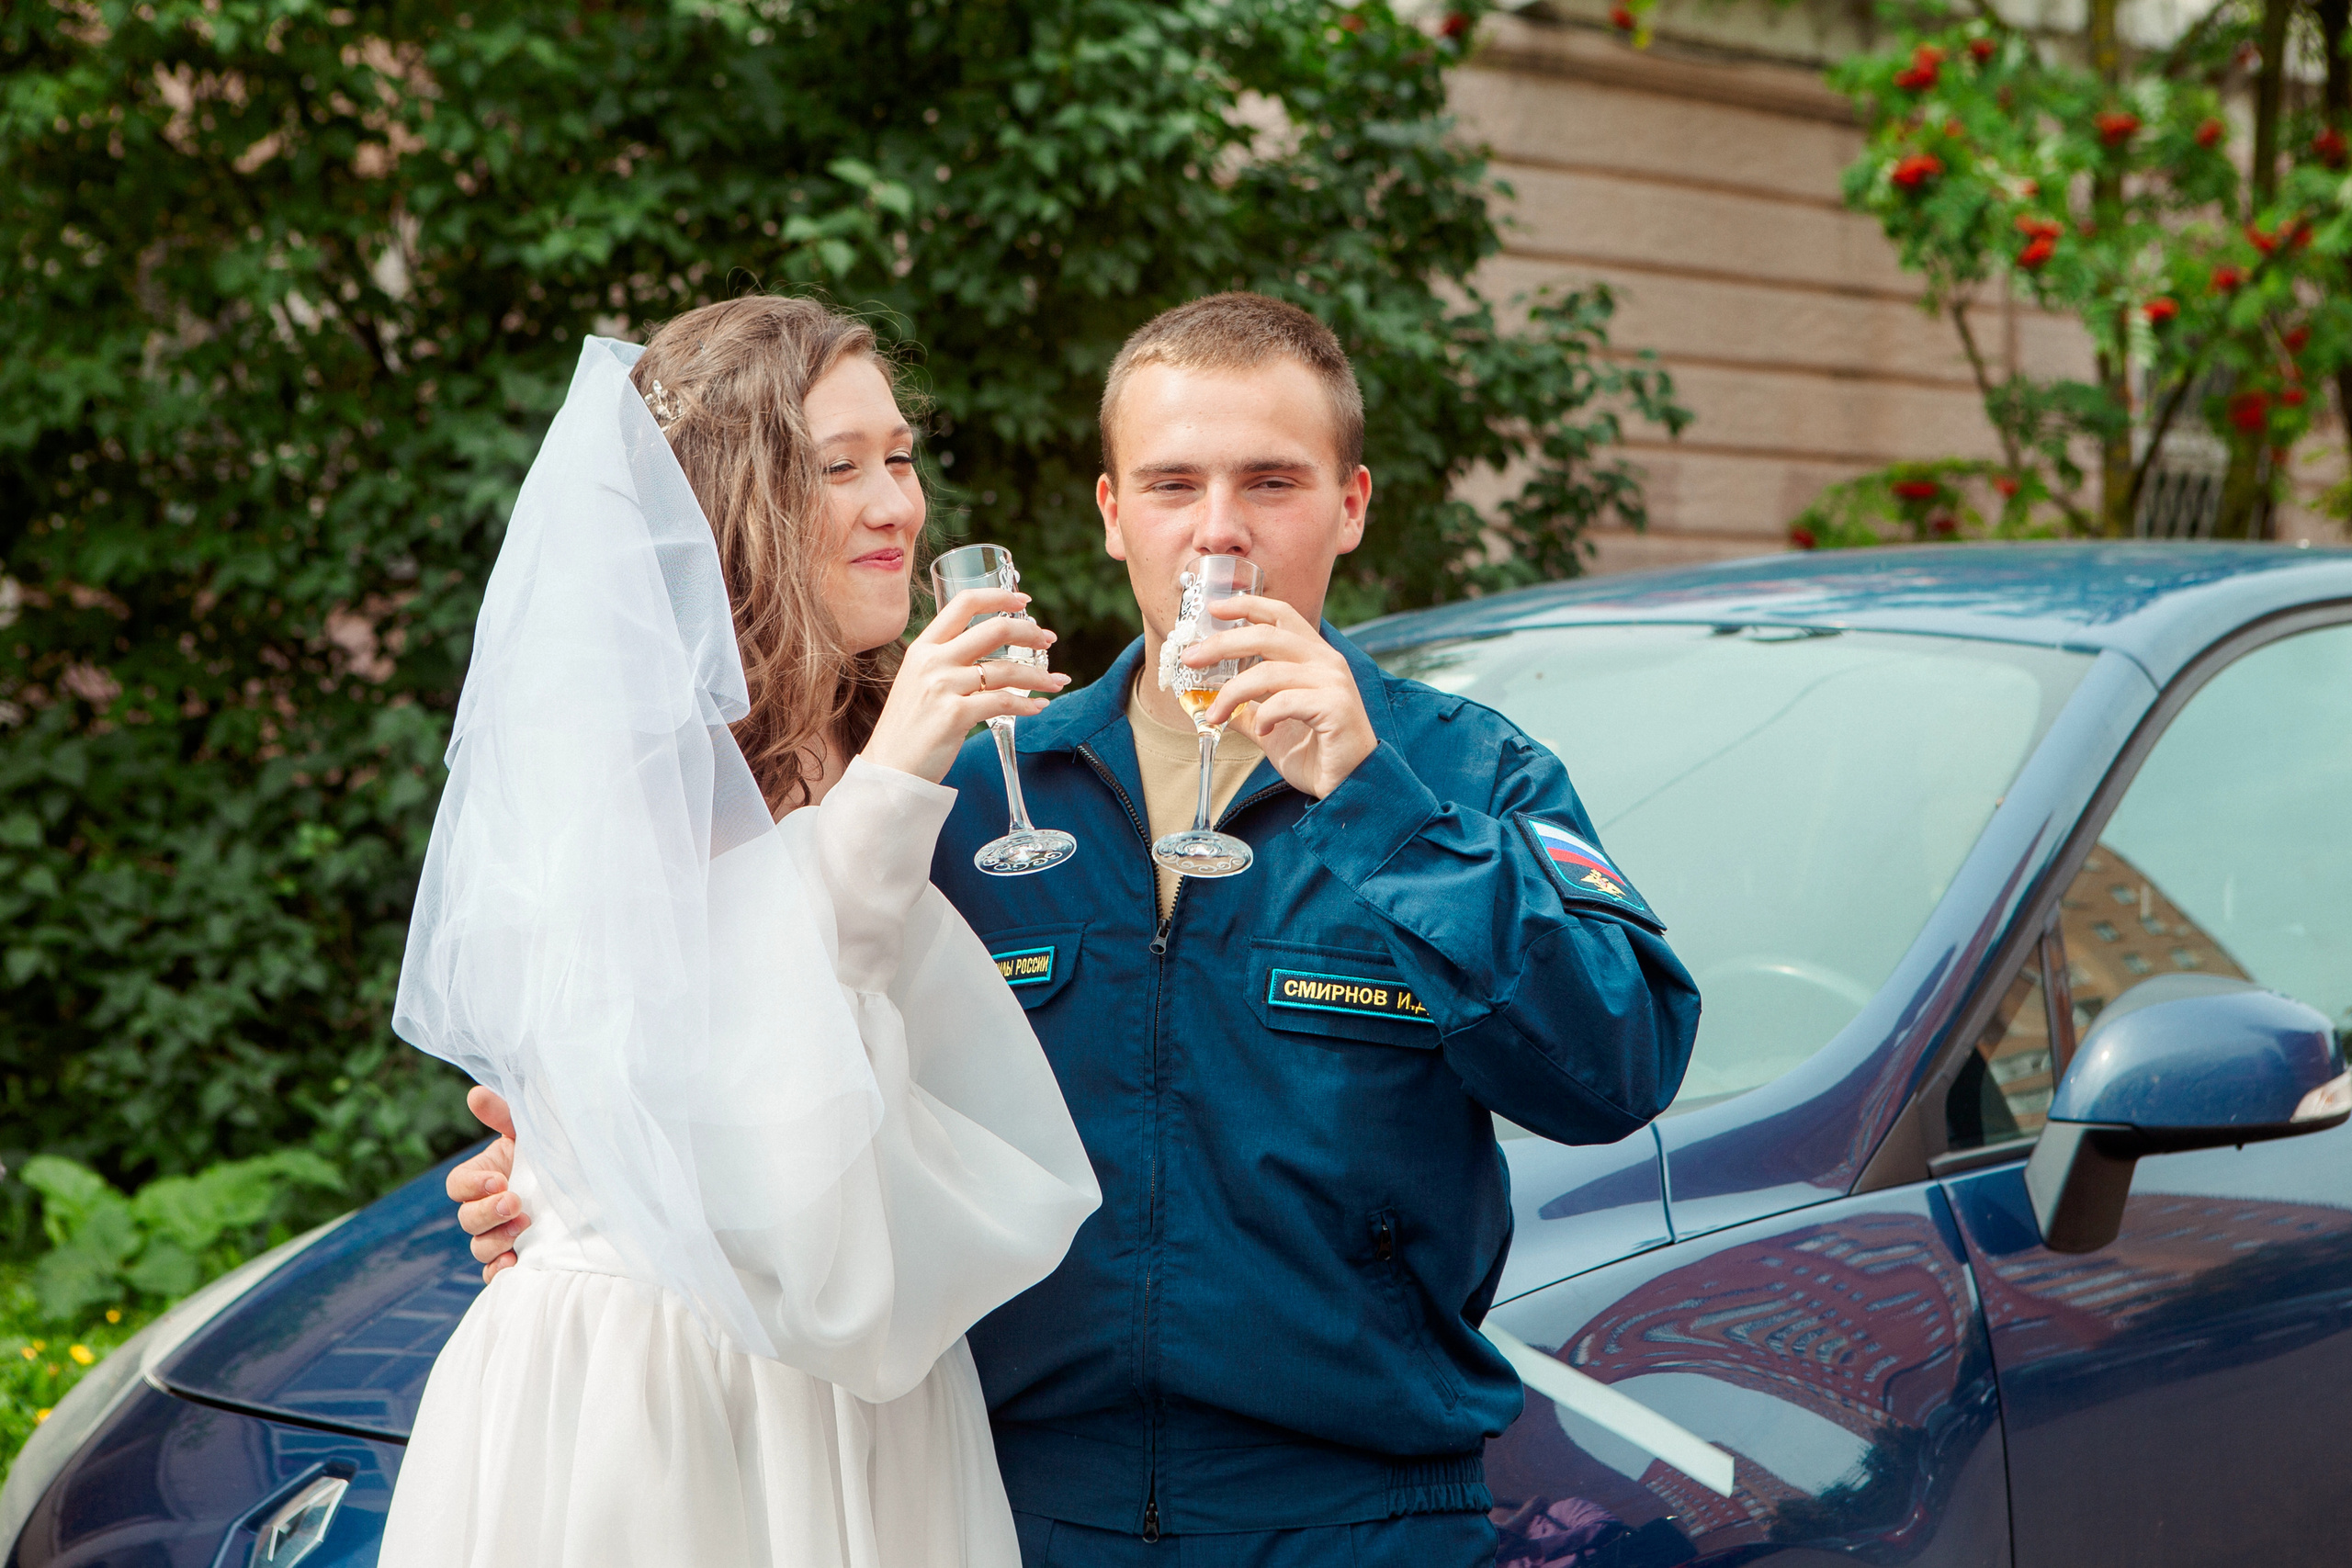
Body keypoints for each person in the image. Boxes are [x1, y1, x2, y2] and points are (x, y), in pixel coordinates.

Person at [453, 293, 1701, 1568]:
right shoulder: (972, 795)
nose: (1220, 532)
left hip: (1355, 1520)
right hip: (1016, 1510)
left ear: (1353, 504)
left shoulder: (1462, 778)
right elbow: (768, 1061)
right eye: (1173, 486)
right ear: (1113, 515)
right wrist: (578, 1178)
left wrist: (1374, 803)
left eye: (1272, 482)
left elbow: (1619, 1068)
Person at [382, 295, 1100, 1568]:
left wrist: (901, 758)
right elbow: (734, 1070)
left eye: (900, 454)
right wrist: (899, 772)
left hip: (864, 1393)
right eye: (838, 468)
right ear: (729, 509)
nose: (897, 503)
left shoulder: (900, 740)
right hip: (665, 1392)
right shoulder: (634, 758)